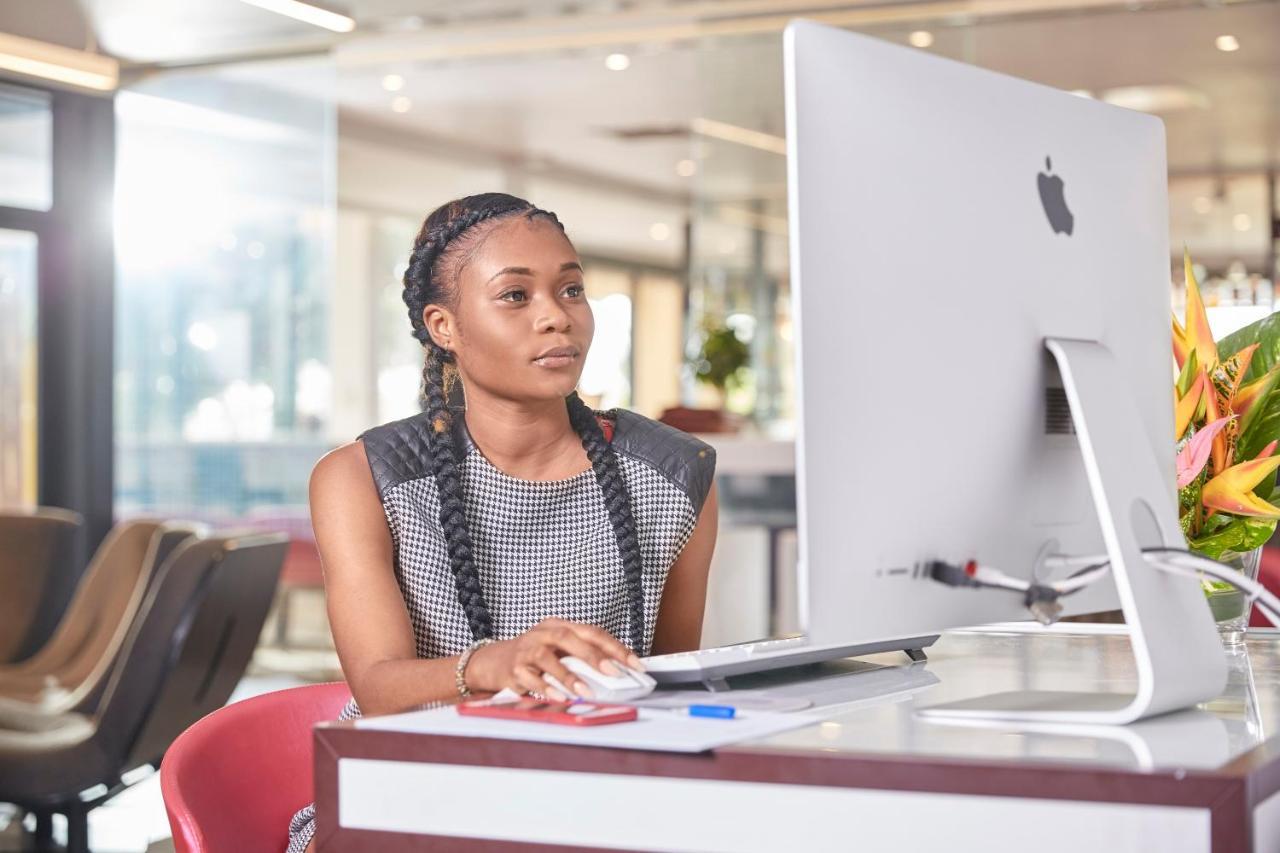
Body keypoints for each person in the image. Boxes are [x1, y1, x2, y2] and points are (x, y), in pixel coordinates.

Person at [287, 193, 719, 851]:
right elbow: (378, 687)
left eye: (571, 289)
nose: (557, 317)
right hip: (407, 800)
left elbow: (666, 686)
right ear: (444, 326)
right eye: (516, 296)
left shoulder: (676, 475)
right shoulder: (360, 478)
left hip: (591, 802)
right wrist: (496, 663)